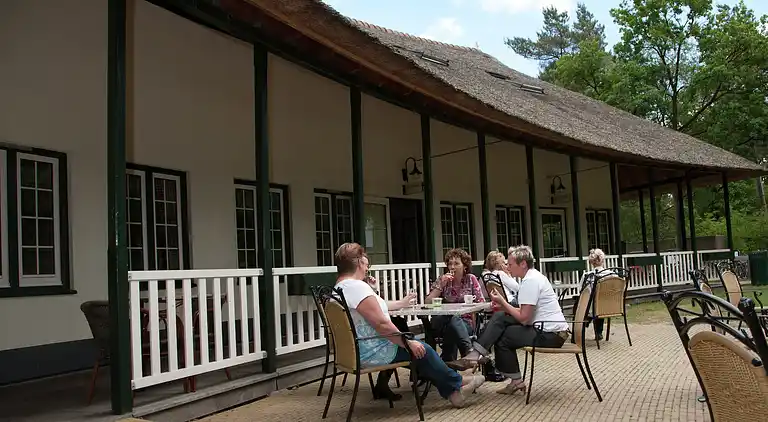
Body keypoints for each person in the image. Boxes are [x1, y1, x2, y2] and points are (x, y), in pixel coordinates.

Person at [333, 243, 485, 408]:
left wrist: (395, 300)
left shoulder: (341, 288)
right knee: (423, 350)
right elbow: (382, 324)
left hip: (360, 349)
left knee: (422, 347)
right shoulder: (357, 288)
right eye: (364, 260)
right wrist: (407, 342)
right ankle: (458, 385)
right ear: (358, 262)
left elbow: (376, 308)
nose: (367, 264)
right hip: (374, 350)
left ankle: (454, 387)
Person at [457, 245, 569, 394]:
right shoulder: (531, 277)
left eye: (510, 264)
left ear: (523, 264)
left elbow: (523, 318)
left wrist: (503, 303)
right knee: (501, 318)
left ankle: (481, 358)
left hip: (551, 335)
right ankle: (479, 356)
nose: (507, 267)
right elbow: (524, 313)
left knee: (504, 335)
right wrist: (504, 306)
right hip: (547, 329)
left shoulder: (531, 281)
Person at [425, 248, 486, 362]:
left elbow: (481, 303)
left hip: (465, 323)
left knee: (452, 327)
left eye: (456, 263)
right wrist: (441, 285)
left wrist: (470, 306)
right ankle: (468, 351)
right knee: (452, 317)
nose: (452, 267)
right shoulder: (442, 280)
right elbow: (428, 302)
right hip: (442, 323)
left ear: (465, 266)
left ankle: (447, 365)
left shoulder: (471, 279)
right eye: (450, 264)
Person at [579, 248, 614, 340]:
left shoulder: (588, 275)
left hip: (593, 308)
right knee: (598, 304)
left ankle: (580, 328)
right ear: (603, 260)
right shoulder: (612, 274)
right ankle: (598, 332)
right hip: (610, 306)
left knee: (587, 304)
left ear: (591, 262)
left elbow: (582, 291)